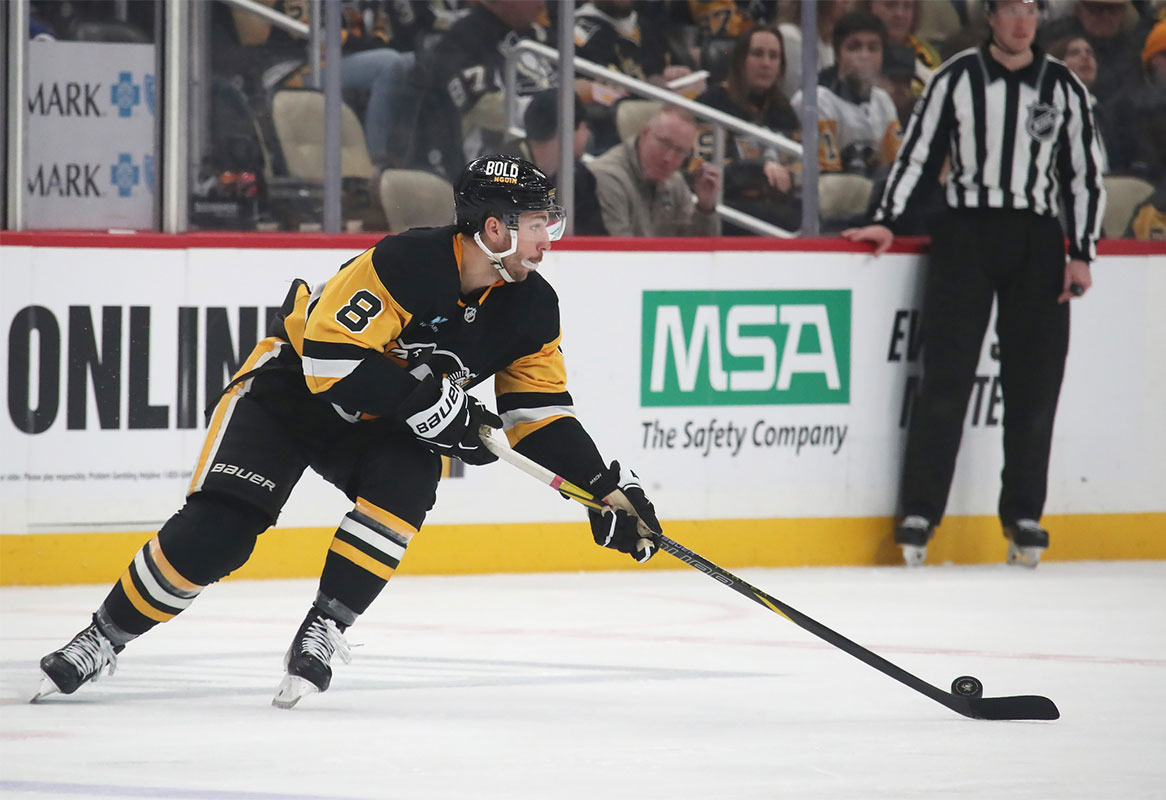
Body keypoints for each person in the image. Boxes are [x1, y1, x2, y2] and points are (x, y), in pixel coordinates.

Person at [32, 156, 662, 708]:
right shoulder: (405, 260)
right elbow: (330, 363)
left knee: (410, 478)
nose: (548, 241)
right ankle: (102, 636)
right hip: (291, 395)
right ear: (494, 228)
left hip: (375, 422)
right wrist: (435, 403)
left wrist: (600, 490)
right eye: (537, 226)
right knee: (223, 530)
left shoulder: (532, 306)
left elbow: (539, 415)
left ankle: (325, 626)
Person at [842, 0, 1106, 568]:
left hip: (1038, 241)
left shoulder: (1063, 88)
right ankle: (919, 512)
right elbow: (917, 155)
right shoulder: (956, 77)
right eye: (1010, 9)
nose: (1021, 21)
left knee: (1035, 385)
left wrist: (1081, 252)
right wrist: (888, 218)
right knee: (946, 377)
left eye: (1031, 10)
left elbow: (1083, 174)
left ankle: (1024, 515)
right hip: (965, 234)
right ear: (991, 16)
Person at [693, 24, 802, 233]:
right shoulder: (711, 104)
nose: (766, 63)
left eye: (774, 56)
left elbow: (799, 164)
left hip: (777, 206)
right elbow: (700, 171)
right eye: (757, 54)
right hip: (729, 208)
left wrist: (791, 176)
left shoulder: (784, 110)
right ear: (740, 61)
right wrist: (757, 168)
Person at [791, 12, 904, 179]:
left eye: (873, 48)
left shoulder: (883, 101)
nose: (864, 56)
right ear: (837, 54)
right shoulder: (815, 101)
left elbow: (895, 166)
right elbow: (826, 178)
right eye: (854, 47)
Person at [589, 105, 723, 237]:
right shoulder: (607, 176)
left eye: (680, 151)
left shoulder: (674, 181)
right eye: (665, 143)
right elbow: (619, 252)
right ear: (644, 133)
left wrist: (705, 208)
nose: (668, 158)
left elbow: (701, 252)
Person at [516, 90, 609, 236]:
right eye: (585, 126)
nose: (588, 133)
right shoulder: (504, 175)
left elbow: (595, 240)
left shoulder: (580, 178)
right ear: (567, 129)